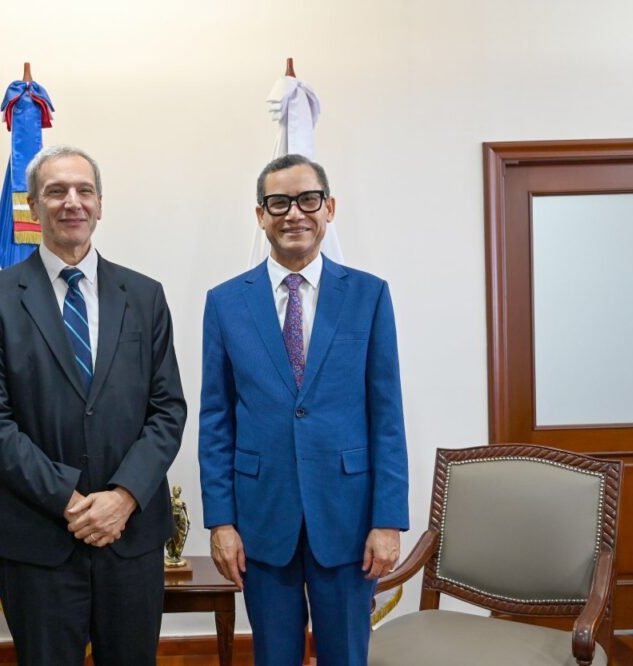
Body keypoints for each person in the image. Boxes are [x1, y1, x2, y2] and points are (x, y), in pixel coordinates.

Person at [0, 145, 186, 665]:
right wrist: (70, 502)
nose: (72, 202)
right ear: (32, 206)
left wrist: (122, 498)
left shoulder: (145, 296)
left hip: (130, 536)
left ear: (100, 204)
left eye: (84, 190)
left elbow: (167, 410)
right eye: (56, 191)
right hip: (37, 538)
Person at [198, 154, 409, 665]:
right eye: (279, 203)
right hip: (261, 519)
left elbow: (387, 417)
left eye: (308, 200)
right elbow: (216, 419)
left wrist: (388, 521)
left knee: (347, 656)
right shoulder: (225, 302)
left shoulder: (369, 295)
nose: (294, 213)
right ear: (261, 215)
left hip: (348, 519)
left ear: (329, 208)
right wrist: (220, 522)